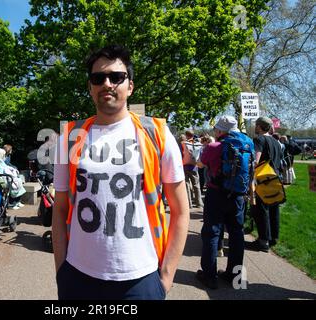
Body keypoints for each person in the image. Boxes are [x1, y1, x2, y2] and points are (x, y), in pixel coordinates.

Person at [52, 45, 189, 300]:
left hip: (141, 280)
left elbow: (181, 211)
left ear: (130, 86)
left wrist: (166, 279)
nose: (107, 83)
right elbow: (59, 209)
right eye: (98, 78)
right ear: (90, 87)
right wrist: (61, 272)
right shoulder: (69, 138)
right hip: (77, 278)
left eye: (116, 77)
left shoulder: (158, 135)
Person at [196, 115, 254, 289]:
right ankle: (235, 276)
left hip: (216, 194)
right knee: (236, 234)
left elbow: (200, 164)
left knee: (212, 233)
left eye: (216, 129)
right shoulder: (248, 144)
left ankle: (209, 276)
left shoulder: (214, 146)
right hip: (238, 195)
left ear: (221, 131)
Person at [250, 116, 283, 252]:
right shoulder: (276, 141)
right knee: (274, 210)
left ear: (259, 126)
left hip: (263, 178)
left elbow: (256, 161)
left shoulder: (259, 139)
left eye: (256, 125)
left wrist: (251, 178)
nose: (255, 128)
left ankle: (263, 241)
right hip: (275, 178)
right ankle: (273, 238)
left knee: (261, 211)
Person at [181, 130, 204, 209]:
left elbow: (181, 154)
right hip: (194, 167)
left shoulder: (183, 144)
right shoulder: (198, 144)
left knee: (187, 185)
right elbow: (200, 155)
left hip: (185, 166)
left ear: (186, 135)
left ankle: (189, 204)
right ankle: (199, 203)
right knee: (196, 185)